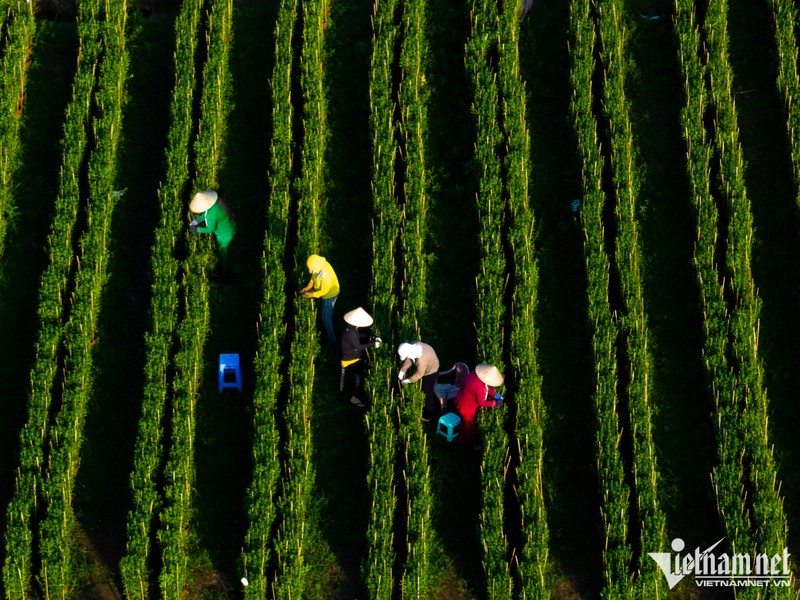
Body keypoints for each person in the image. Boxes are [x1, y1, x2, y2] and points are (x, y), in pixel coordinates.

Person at [453, 363, 504, 448]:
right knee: (470, 427)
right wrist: (494, 403)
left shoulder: (473, 374)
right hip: (467, 408)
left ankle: (461, 439)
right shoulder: (480, 387)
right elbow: (481, 402)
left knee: (463, 422)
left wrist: (494, 394)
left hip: (460, 399)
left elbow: (486, 387)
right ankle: (469, 446)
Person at [189, 190, 236, 278]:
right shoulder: (218, 201)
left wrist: (197, 229)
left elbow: (210, 229)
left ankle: (223, 274)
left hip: (224, 235)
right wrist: (197, 220)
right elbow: (206, 214)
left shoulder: (211, 215)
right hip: (231, 225)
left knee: (223, 253)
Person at [340, 307, 381, 408]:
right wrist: (373, 344)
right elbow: (358, 348)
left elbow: (358, 336)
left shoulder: (351, 328)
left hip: (351, 357)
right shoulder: (352, 333)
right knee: (364, 375)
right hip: (350, 361)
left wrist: (370, 337)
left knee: (365, 365)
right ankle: (355, 397)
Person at [301, 254, 340, 344]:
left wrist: (311, 295)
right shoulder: (319, 266)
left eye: (311, 269)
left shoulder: (326, 275)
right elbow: (314, 276)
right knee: (324, 313)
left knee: (325, 317)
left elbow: (324, 291)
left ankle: (332, 339)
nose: (310, 271)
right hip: (324, 293)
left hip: (329, 296)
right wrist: (308, 286)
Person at [397, 341, 440, 422]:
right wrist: (402, 371)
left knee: (427, 392)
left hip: (432, 371)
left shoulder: (422, 360)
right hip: (427, 366)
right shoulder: (413, 346)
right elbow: (408, 359)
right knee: (424, 389)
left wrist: (408, 380)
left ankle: (428, 415)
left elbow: (419, 374)